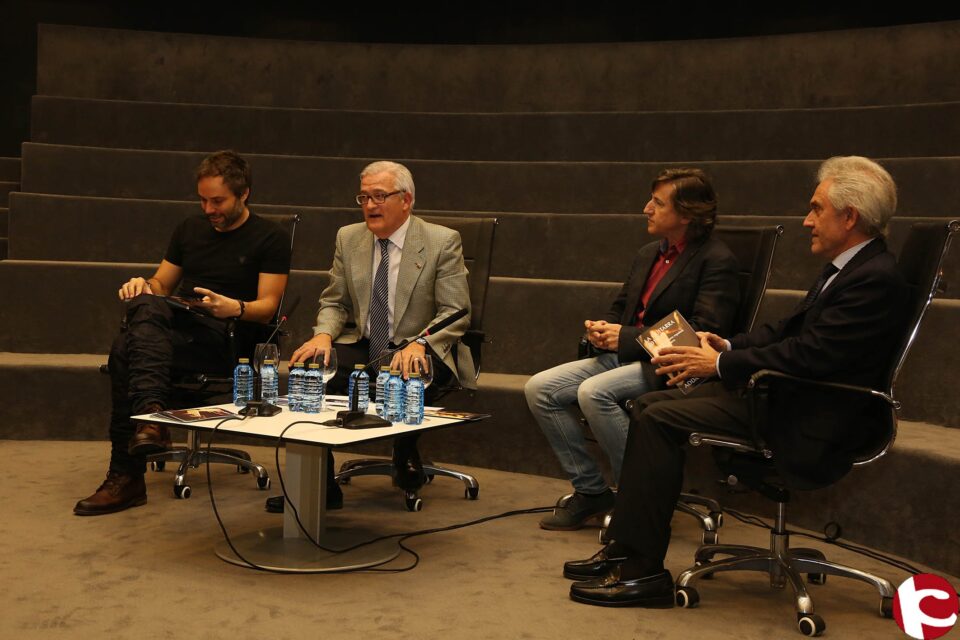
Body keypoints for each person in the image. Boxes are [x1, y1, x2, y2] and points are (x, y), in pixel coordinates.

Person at [565, 156, 909, 607]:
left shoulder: (874, 279)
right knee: (652, 407)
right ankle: (624, 551)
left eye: (816, 209)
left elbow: (813, 354)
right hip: (790, 394)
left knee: (659, 415)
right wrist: (726, 345)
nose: (807, 221)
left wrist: (721, 367)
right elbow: (788, 331)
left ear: (849, 217)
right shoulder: (852, 267)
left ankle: (642, 572)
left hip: (813, 416)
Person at [74, 150, 291, 516]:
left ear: (244, 194)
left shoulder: (270, 237)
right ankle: (150, 416)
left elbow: (268, 306)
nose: (209, 209)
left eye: (218, 201)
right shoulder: (189, 230)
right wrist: (142, 283)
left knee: (125, 349)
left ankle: (127, 473)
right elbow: (161, 284)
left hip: (230, 337)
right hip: (179, 329)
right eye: (203, 200)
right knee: (143, 306)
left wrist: (232, 306)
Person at [524, 168, 740, 530]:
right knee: (539, 389)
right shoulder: (648, 254)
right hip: (626, 355)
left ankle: (640, 499)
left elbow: (705, 332)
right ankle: (592, 492)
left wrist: (624, 337)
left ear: (686, 214)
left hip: (672, 366)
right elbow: (623, 306)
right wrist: (602, 329)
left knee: (595, 393)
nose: (646, 209)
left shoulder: (716, 260)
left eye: (657, 203)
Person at [265, 160, 472, 513]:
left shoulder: (441, 241)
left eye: (379, 196)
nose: (370, 205)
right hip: (365, 344)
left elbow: (456, 310)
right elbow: (334, 301)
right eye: (364, 197)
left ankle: (405, 450)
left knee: (407, 371)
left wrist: (420, 343)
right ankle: (319, 483)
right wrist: (323, 336)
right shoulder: (349, 238)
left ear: (406, 200)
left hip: (423, 345)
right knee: (311, 370)